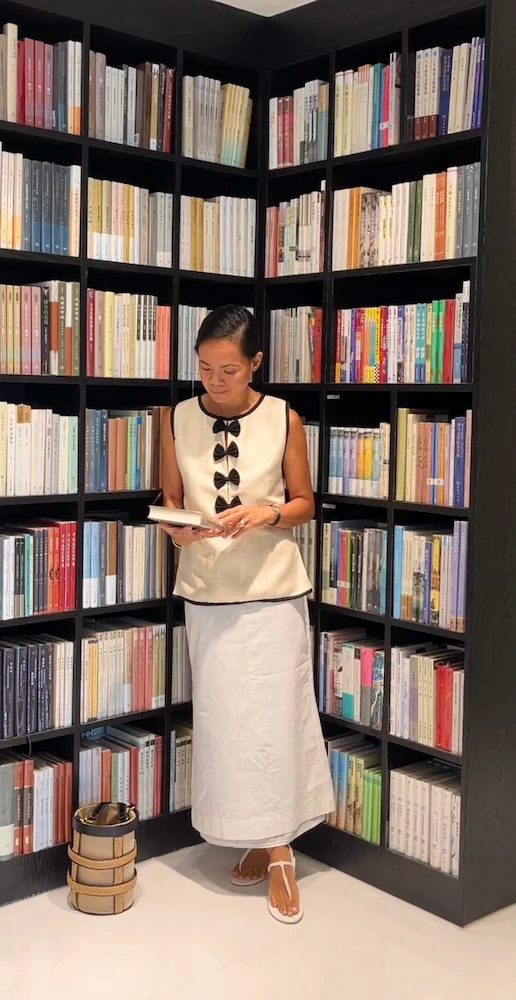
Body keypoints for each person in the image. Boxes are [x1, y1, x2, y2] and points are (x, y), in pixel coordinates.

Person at [159, 305, 334, 924]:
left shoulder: (283, 417)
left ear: (255, 362)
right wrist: (177, 528)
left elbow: (306, 502)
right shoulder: (177, 417)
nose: (214, 381)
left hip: (272, 591)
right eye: (204, 368)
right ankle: (257, 836)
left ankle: (281, 849)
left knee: (276, 719)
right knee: (228, 725)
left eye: (228, 370)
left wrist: (268, 513)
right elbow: (170, 497)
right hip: (207, 591)